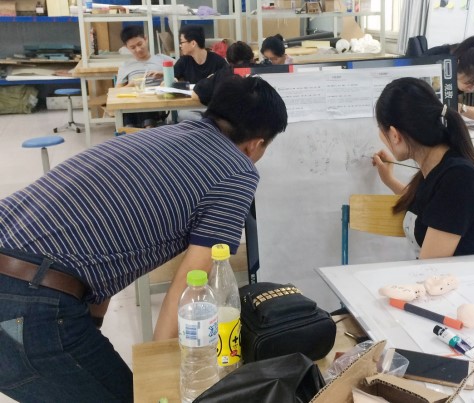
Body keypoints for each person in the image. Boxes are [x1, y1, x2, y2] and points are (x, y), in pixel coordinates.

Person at [0, 75, 287, 402]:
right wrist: (159, 374)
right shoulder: (238, 170)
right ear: (256, 144)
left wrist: (90, 326)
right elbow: (190, 284)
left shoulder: (163, 135)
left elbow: (101, 240)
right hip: (24, 297)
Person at [372, 77, 474, 259]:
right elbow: (432, 206)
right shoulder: (438, 164)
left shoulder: (458, 178)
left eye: (382, 130)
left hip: (467, 275)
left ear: (394, 135)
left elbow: (431, 266)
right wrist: (390, 180)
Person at [424, 35, 474, 122]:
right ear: (456, 66)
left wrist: (460, 107)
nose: (471, 88)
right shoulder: (436, 64)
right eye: (469, 82)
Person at [115, 25, 174, 127]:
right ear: (126, 48)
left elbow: (182, 72)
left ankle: (143, 128)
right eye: (133, 47)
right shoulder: (126, 66)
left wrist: (165, 74)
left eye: (140, 44)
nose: (138, 49)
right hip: (135, 103)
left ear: (145, 39)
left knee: (146, 106)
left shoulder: (162, 59)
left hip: (157, 103)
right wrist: (131, 85)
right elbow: (116, 92)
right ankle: (141, 128)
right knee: (135, 108)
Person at [192, 41, 256, 106]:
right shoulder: (259, 72)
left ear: (228, 60)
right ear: (252, 58)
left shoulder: (223, 75)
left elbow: (195, 94)